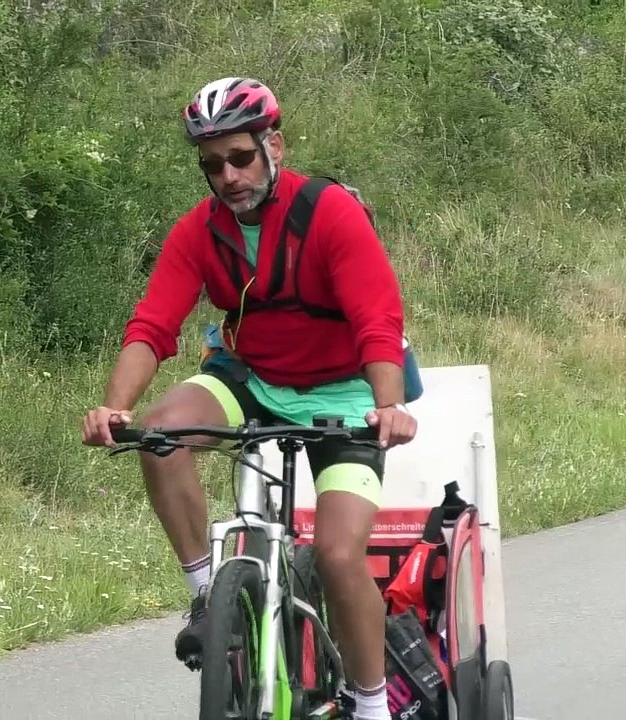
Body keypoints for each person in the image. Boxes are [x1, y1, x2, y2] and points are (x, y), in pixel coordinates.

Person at [81, 77, 416, 720]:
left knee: (341, 556)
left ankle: (373, 704)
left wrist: (389, 404)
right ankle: (209, 596)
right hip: (255, 377)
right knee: (160, 433)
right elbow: (153, 324)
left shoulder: (329, 212)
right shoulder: (200, 232)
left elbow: (378, 319)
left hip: (345, 392)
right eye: (212, 165)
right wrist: (116, 407)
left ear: (274, 148)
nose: (228, 176)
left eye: (240, 157)